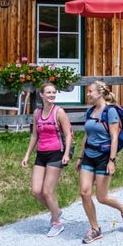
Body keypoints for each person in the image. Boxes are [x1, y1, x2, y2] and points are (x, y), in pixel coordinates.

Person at [76, 81, 123, 244]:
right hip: (88, 155)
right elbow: (86, 135)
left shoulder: (111, 111)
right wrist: (80, 157)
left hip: (104, 157)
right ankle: (95, 229)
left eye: (90, 91)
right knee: (84, 193)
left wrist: (112, 161)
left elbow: (114, 137)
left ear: (99, 93)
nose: (88, 94)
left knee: (102, 197)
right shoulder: (90, 111)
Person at [21, 82, 73, 237]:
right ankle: (56, 211)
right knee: (36, 191)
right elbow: (35, 135)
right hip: (41, 154)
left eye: (53, 92)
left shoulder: (59, 112)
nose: (52, 95)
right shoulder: (37, 113)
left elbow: (69, 134)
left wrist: (66, 154)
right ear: (41, 95)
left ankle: (56, 223)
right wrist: (27, 155)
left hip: (56, 153)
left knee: (47, 191)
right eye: (48, 92)